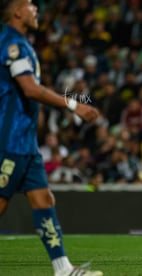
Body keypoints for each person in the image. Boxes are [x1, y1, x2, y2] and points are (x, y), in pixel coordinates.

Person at [0, 1, 102, 275]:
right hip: (9, 141)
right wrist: (74, 105)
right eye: (29, 4)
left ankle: (63, 269)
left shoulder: (22, 44)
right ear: (17, 11)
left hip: (26, 143)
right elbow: (30, 89)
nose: (35, 8)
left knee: (44, 200)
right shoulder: (11, 44)